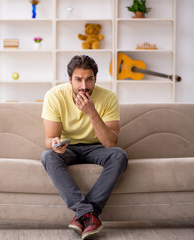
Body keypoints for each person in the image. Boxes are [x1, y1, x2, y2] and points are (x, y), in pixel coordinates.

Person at [40, 55, 128, 240]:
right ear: (69, 79)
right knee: (48, 156)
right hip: (68, 148)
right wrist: (55, 144)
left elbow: (111, 143)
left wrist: (92, 112)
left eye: (89, 79)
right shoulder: (54, 96)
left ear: (95, 78)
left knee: (119, 155)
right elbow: (49, 139)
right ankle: (88, 215)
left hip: (97, 147)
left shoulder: (109, 98)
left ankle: (85, 215)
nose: (84, 86)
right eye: (78, 79)